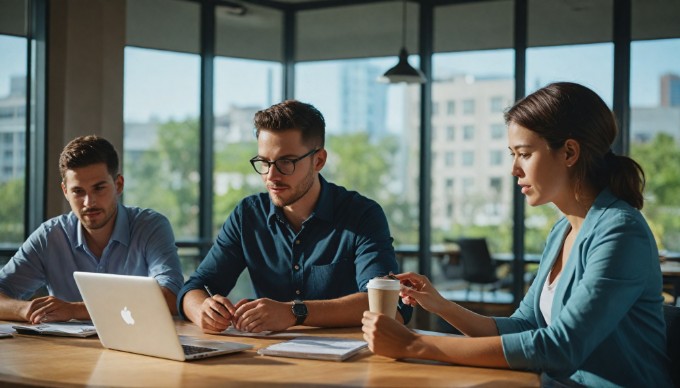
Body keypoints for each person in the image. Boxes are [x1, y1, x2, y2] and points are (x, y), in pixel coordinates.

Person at [362, 82, 672, 387]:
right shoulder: (562, 230)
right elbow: (525, 326)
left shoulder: (620, 231)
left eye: (524, 154)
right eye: (512, 154)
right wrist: (441, 305)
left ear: (569, 152)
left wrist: (416, 344)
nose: (514, 169)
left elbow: (560, 348)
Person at [179, 99, 410, 333]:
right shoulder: (247, 215)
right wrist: (202, 310)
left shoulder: (362, 216)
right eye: (264, 162)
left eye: (285, 162)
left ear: (318, 160)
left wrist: (294, 312)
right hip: (269, 360)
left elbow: (391, 306)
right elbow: (195, 287)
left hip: (349, 361)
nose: (271, 176)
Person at [0, 135, 184, 323]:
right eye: (78, 191)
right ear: (65, 191)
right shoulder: (50, 236)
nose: (89, 202)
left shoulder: (150, 227)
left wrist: (74, 310)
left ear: (118, 185)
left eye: (99, 188)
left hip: (136, 349)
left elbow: (171, 297)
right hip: (65, 351)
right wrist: (26, 310)